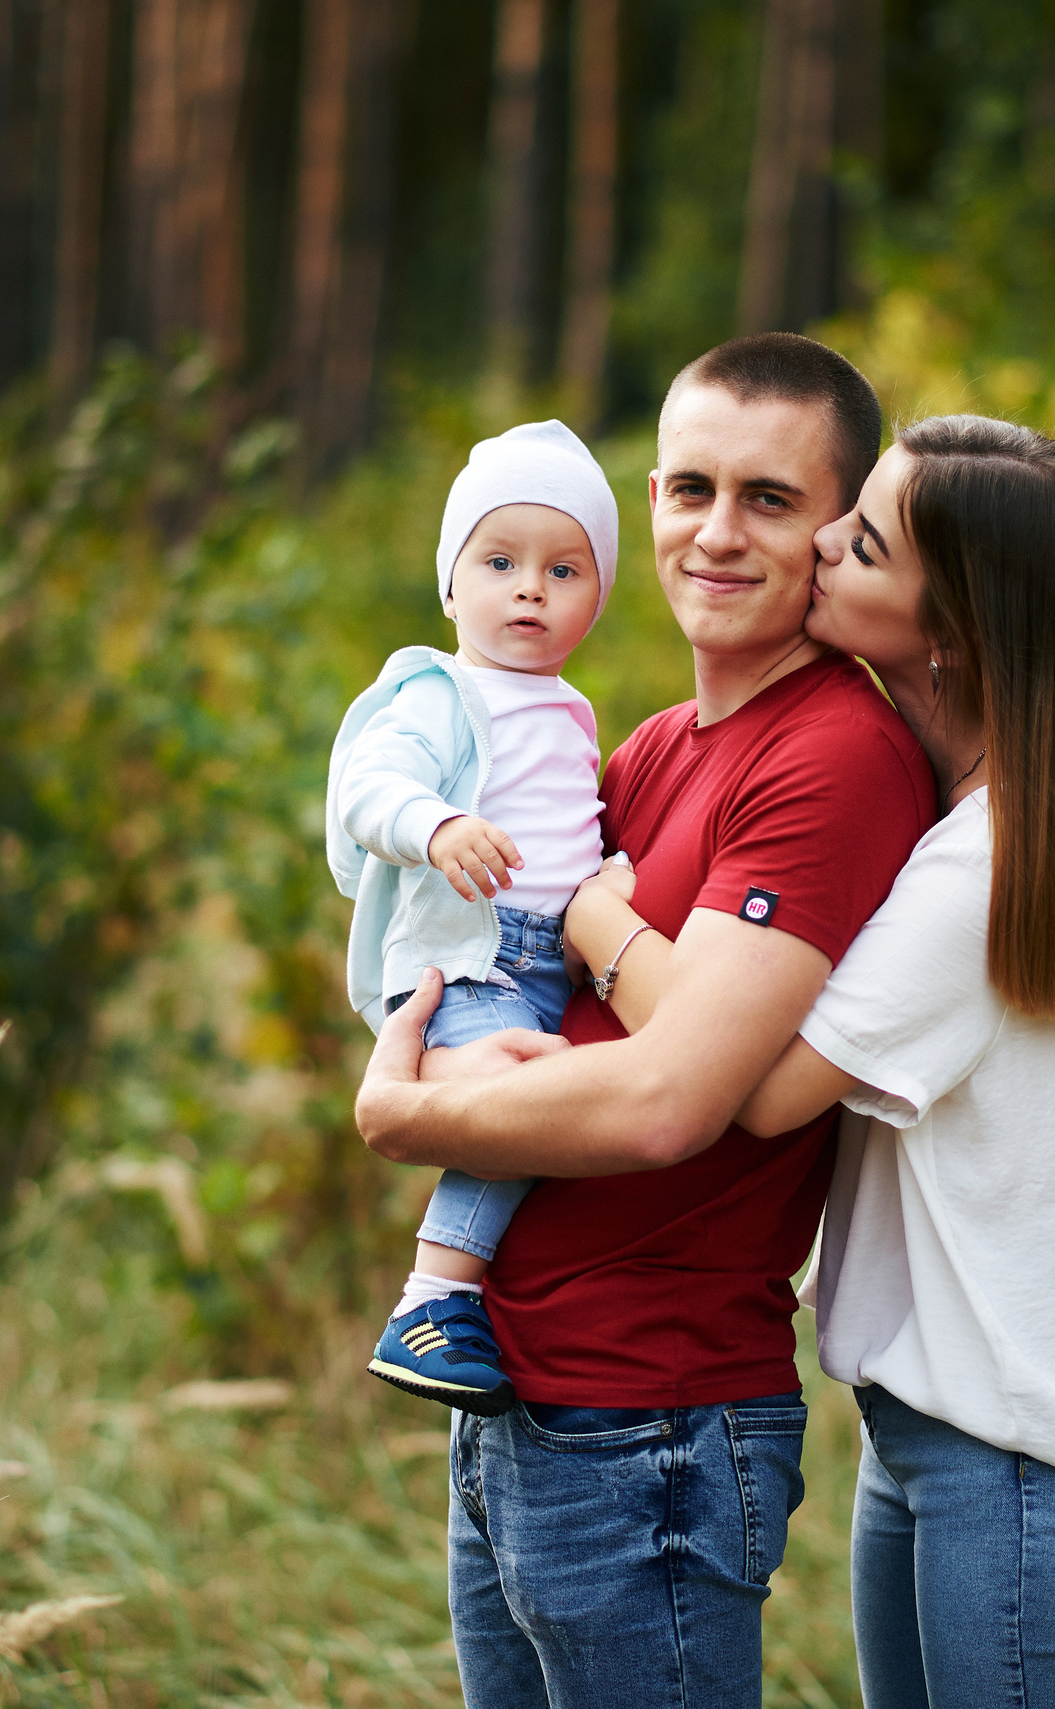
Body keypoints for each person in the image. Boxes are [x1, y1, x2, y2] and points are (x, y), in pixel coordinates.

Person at [556, 415, 1055, 1706]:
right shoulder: (997, 818)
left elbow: (756, 1085)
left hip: (1017, 1458)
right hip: (947, 1435)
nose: (823, 542)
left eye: (866, 540)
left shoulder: (979, 865)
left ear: (947, 625)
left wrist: (596, 915)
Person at [353, 332, 937, 1708]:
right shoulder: (646, 746)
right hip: (522, 1400)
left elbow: (676, 1097)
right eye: (688, 489)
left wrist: (409, 1112)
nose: (715, 534)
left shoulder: (834, 758)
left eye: (770, 500)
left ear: (839, 533)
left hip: (653, 1427)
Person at [325, 419, 621, 1417]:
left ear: (598, 598)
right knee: (515, 1112)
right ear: (452, 586)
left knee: (542, 1113)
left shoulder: (572, 710)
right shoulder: (442, 692)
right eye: (498, 561)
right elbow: (372, 782)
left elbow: (566, 832)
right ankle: (430, 1297)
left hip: (544, 962)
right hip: (470, 954)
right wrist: (437, 820)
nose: (528, 587)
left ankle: (463, 1297)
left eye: (562, 568)